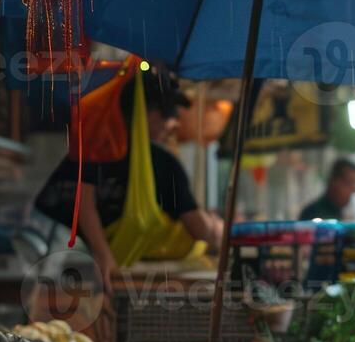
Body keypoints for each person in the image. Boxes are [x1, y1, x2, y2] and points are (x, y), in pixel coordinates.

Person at [33, 68, 224, 285]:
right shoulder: (162, 163)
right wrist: (217, 228)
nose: (175, 126)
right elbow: (199, 229)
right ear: (149, 114)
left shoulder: (97, 147)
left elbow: (83, 200)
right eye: (170, 115)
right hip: (84, 262)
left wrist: (103, 254)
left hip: (73, 263)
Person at [299, 157, 355, 221]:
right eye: (348, 184)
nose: (352, 191)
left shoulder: (352, 213)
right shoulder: (312, 214)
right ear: (333, 181)